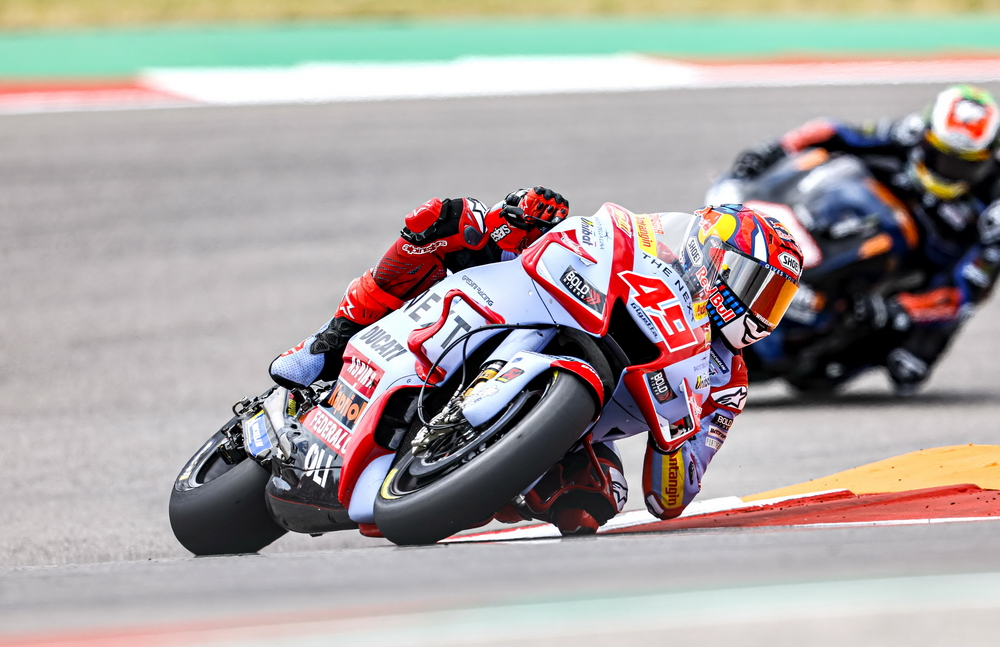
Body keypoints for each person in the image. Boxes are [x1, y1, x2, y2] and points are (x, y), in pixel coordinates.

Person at [270, 194, 801, 536]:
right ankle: (326, 343)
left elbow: (673, 495)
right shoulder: (651, 246)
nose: (761, 308)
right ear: (711, 256)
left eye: (775, 299)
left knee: (593, 502)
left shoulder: (727, 382)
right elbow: (590, 236)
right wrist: (526, 219)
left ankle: (477, 476)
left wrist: (676, 441)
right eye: (755, 284)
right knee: (451, 221)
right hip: (519, 304)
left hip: (573, 432)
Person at [730, 84, 1000, 394]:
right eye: (941, 157)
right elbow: (835, 132)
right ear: (927, 139)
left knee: (908, 369)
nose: (949, 172)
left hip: (932, 274)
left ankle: (843, 344)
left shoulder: (995, 210)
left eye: (964, 164)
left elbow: (967, 290)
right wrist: (777, 148)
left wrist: (901, 308)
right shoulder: (910, 132)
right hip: (886, 223)